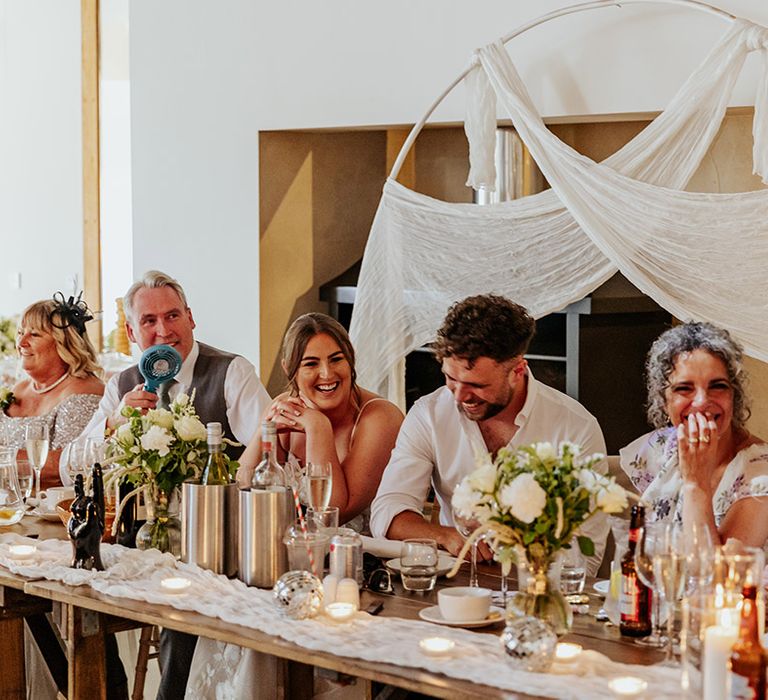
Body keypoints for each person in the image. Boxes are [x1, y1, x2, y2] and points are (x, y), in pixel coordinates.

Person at [81, 270, 271, 700]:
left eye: (172, 316)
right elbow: (82, 460)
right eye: (149, 321)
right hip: (137, 534)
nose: (163, 330)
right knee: (72, 595)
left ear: (191, 318)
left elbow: (272, 444)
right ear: (131, 331)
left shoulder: (231, 371)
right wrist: (114, 423)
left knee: (180, 601)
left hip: (214, 540)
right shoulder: (122, 384)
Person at [369, 294, 608, 575]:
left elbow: (586, 553)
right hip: (456, 584)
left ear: (517, 370)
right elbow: (388, 510)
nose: (459, 396)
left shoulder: (575, 427)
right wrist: (446, 536)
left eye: (475, 384)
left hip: (539, 588)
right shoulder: (429, 414)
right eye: (450, 378)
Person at [236, 312, 404, 528]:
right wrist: (262, 431)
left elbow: (331, 517)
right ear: (289, 369)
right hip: (295, 549)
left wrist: (319, 428)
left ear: (350, 359)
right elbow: (241, 496)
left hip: (363, 554)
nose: (326, 374)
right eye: (311, 364)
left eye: (336, 359)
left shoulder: (380, 418)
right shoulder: (285, 406)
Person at [619, 322, 768, 547]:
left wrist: (696, 484)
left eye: (717, 386)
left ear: (734, 397)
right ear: (664, 402)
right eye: (684, 388)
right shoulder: (659, 448)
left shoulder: (760, 474)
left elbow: (720, 577)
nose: (701, 402)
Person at [0, 294, 104, 490]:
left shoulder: (83, 391)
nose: (21, 343)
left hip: (51, 512)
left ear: (63, 343)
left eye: (34, 334)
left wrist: (5, 459)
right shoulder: (19, 388)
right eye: (21, 332)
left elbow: (64, 466)